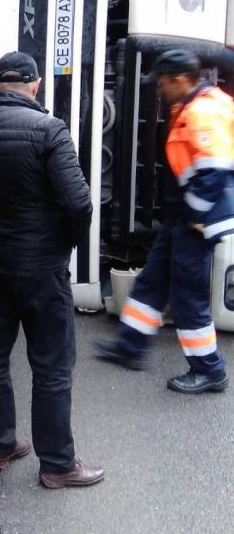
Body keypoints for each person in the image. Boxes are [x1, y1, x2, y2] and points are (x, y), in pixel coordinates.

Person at [0, 51, 104, 489]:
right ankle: (57, 464)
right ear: (34, 86)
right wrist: (62, 246)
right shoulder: (50, 131)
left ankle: (0, 445)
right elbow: (79, 203)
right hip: (40, 267)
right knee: (52, 363)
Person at [95, 49, 234, 393]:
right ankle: (131, 346)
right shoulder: (191, 104)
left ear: (181, 79)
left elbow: (214, 173)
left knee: (188, 297)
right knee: (152, 281)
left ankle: (209, 370)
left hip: (194, 222)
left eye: (162, 81)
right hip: (181, 219)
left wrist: (197, 216)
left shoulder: (203, 111)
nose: (159, 87)